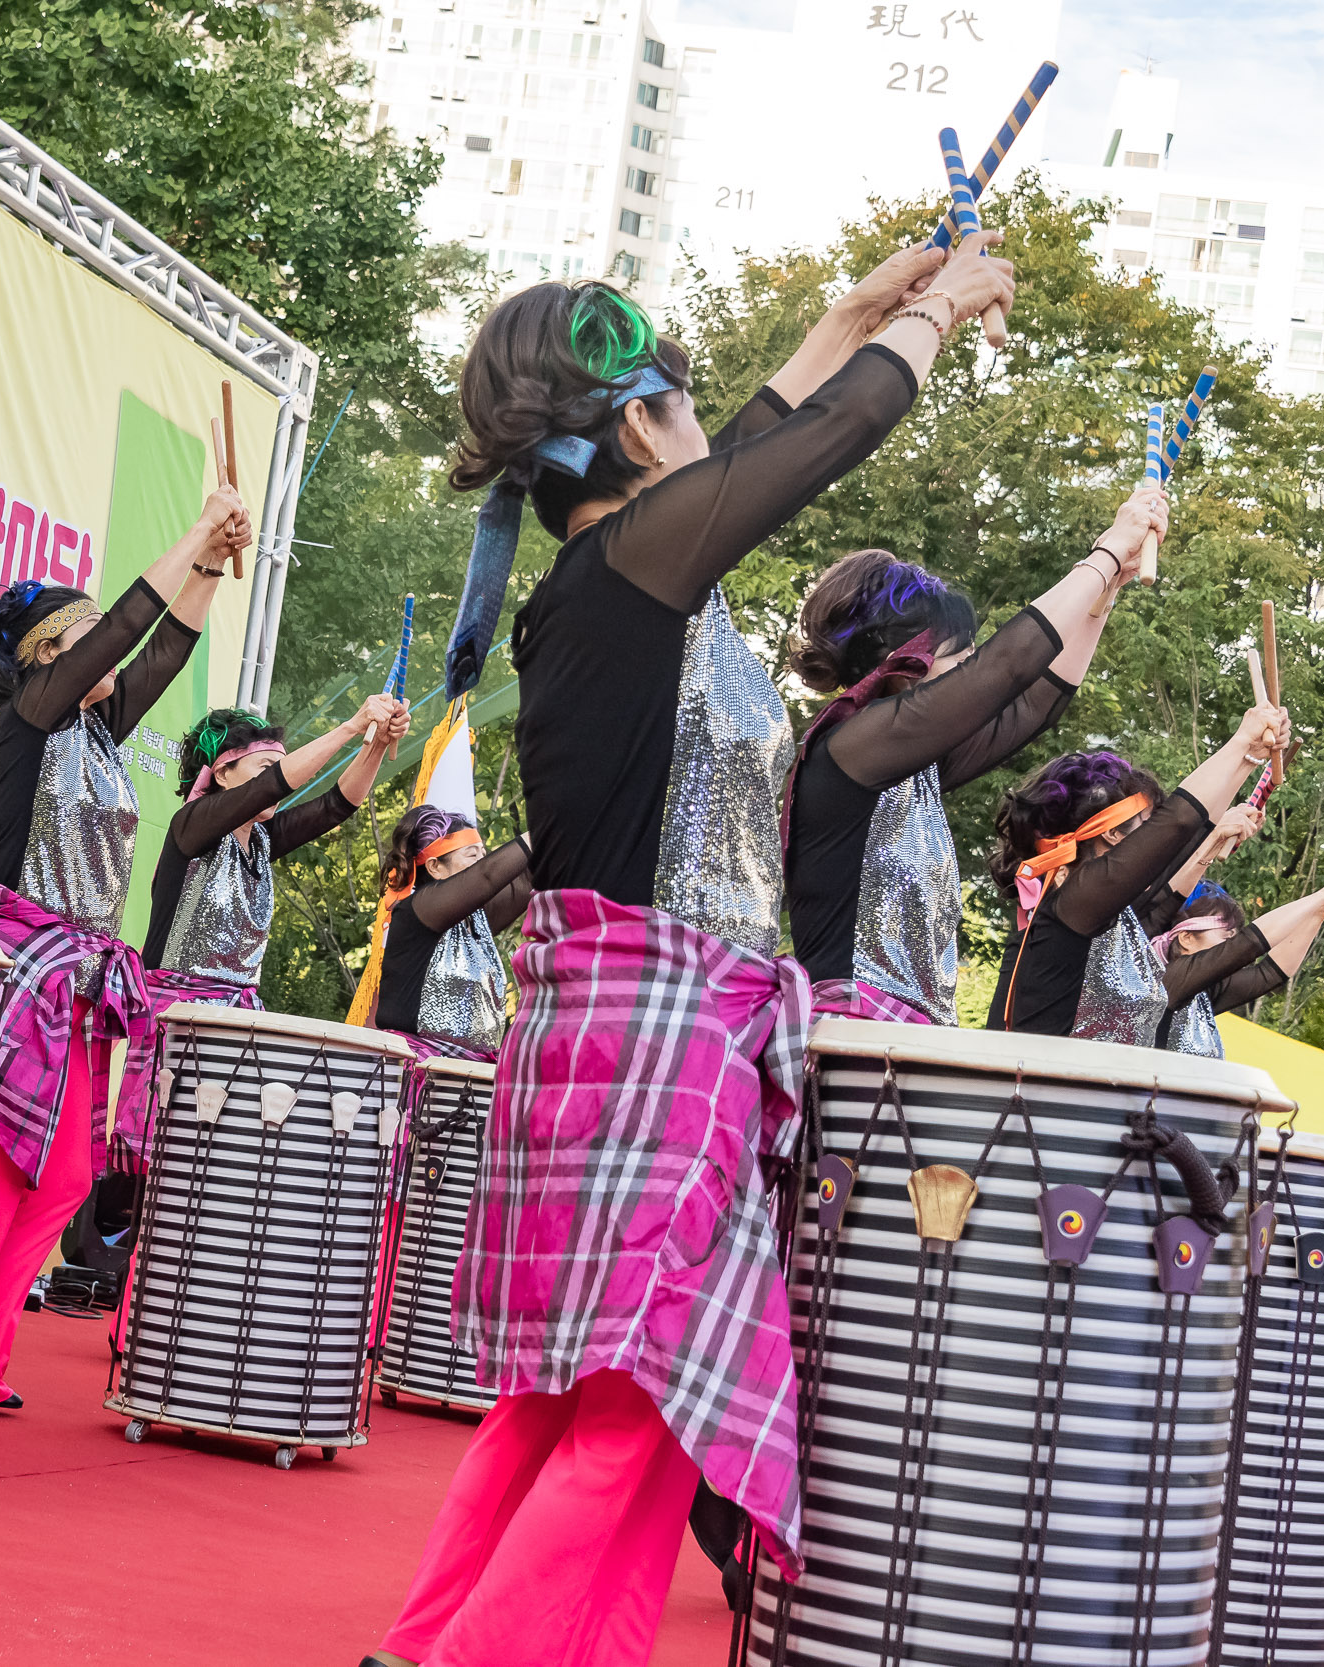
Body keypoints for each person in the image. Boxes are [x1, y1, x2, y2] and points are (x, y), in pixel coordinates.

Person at [372, 231, 1016, 1667]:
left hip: (628, 1029)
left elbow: (777, 424)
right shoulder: (635, 572)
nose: (712, 430)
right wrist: (939, 322)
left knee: (574, 1392)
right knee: (640, 1394)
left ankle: (432, 1639)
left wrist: (870, 303)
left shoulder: (632, 573)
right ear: (644, 427)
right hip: (655, 1033)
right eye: (684, 406)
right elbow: (835, 429)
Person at [0, 489, 250, 1422]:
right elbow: (122, 633)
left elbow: (160, 649)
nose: (96, 649)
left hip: (72, 974)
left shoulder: (95, 738)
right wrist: (193, 528)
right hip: (17, 961)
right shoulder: (30, 721)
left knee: (66, 1175)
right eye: (75, 635)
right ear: (44, 657)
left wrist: (209, 566)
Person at [783, 484, 1167, 1023]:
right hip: (850, 1024)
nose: (969, 669)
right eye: (957, 654)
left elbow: (1034, 705)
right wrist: (1104, 552)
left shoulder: (914, 769)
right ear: (902, 660)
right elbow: (1006, 668)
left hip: (909, 1027)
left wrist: (1108, 589)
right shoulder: (847, 750)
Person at [112, 693, 409, 1150]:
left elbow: (338, 804)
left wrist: (373, 743)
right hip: (179, 1016)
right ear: (223, 773)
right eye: (263, 765)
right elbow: (273, 787)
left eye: (279, 763)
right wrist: (351, 726)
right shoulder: (192, 825)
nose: (276, 775)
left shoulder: (263, 840)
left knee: (221, 1156)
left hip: (236, 1021)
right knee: (157, 1156)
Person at [985, 706, 1292, 1043]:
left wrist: (1248, 758)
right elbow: (1177, 823)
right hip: (1031, 1089)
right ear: (1113, 834)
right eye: (1147, 826)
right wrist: (1240, 742)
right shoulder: (1073, 904)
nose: (1153, 842)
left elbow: (1185, 838)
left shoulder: (1107, 912)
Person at [372, 812, 532, 1060]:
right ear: (435, 867)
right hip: (417, 1066)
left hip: (469, 1069)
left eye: (483, 853)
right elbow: (487, 876)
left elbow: (528, 878)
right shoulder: (418, 908)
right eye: (472, 855)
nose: (484, 860)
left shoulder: (476, 919)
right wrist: (548, 819)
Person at [1156, 875, 1324, 1056]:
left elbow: (1270, 972)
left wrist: (1320, 911)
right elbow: (1248, 944)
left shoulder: (1202, 993)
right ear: (1187, 937)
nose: (1230, 946)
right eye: (1226, 936)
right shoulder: (1165, 981)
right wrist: (1323, 895)